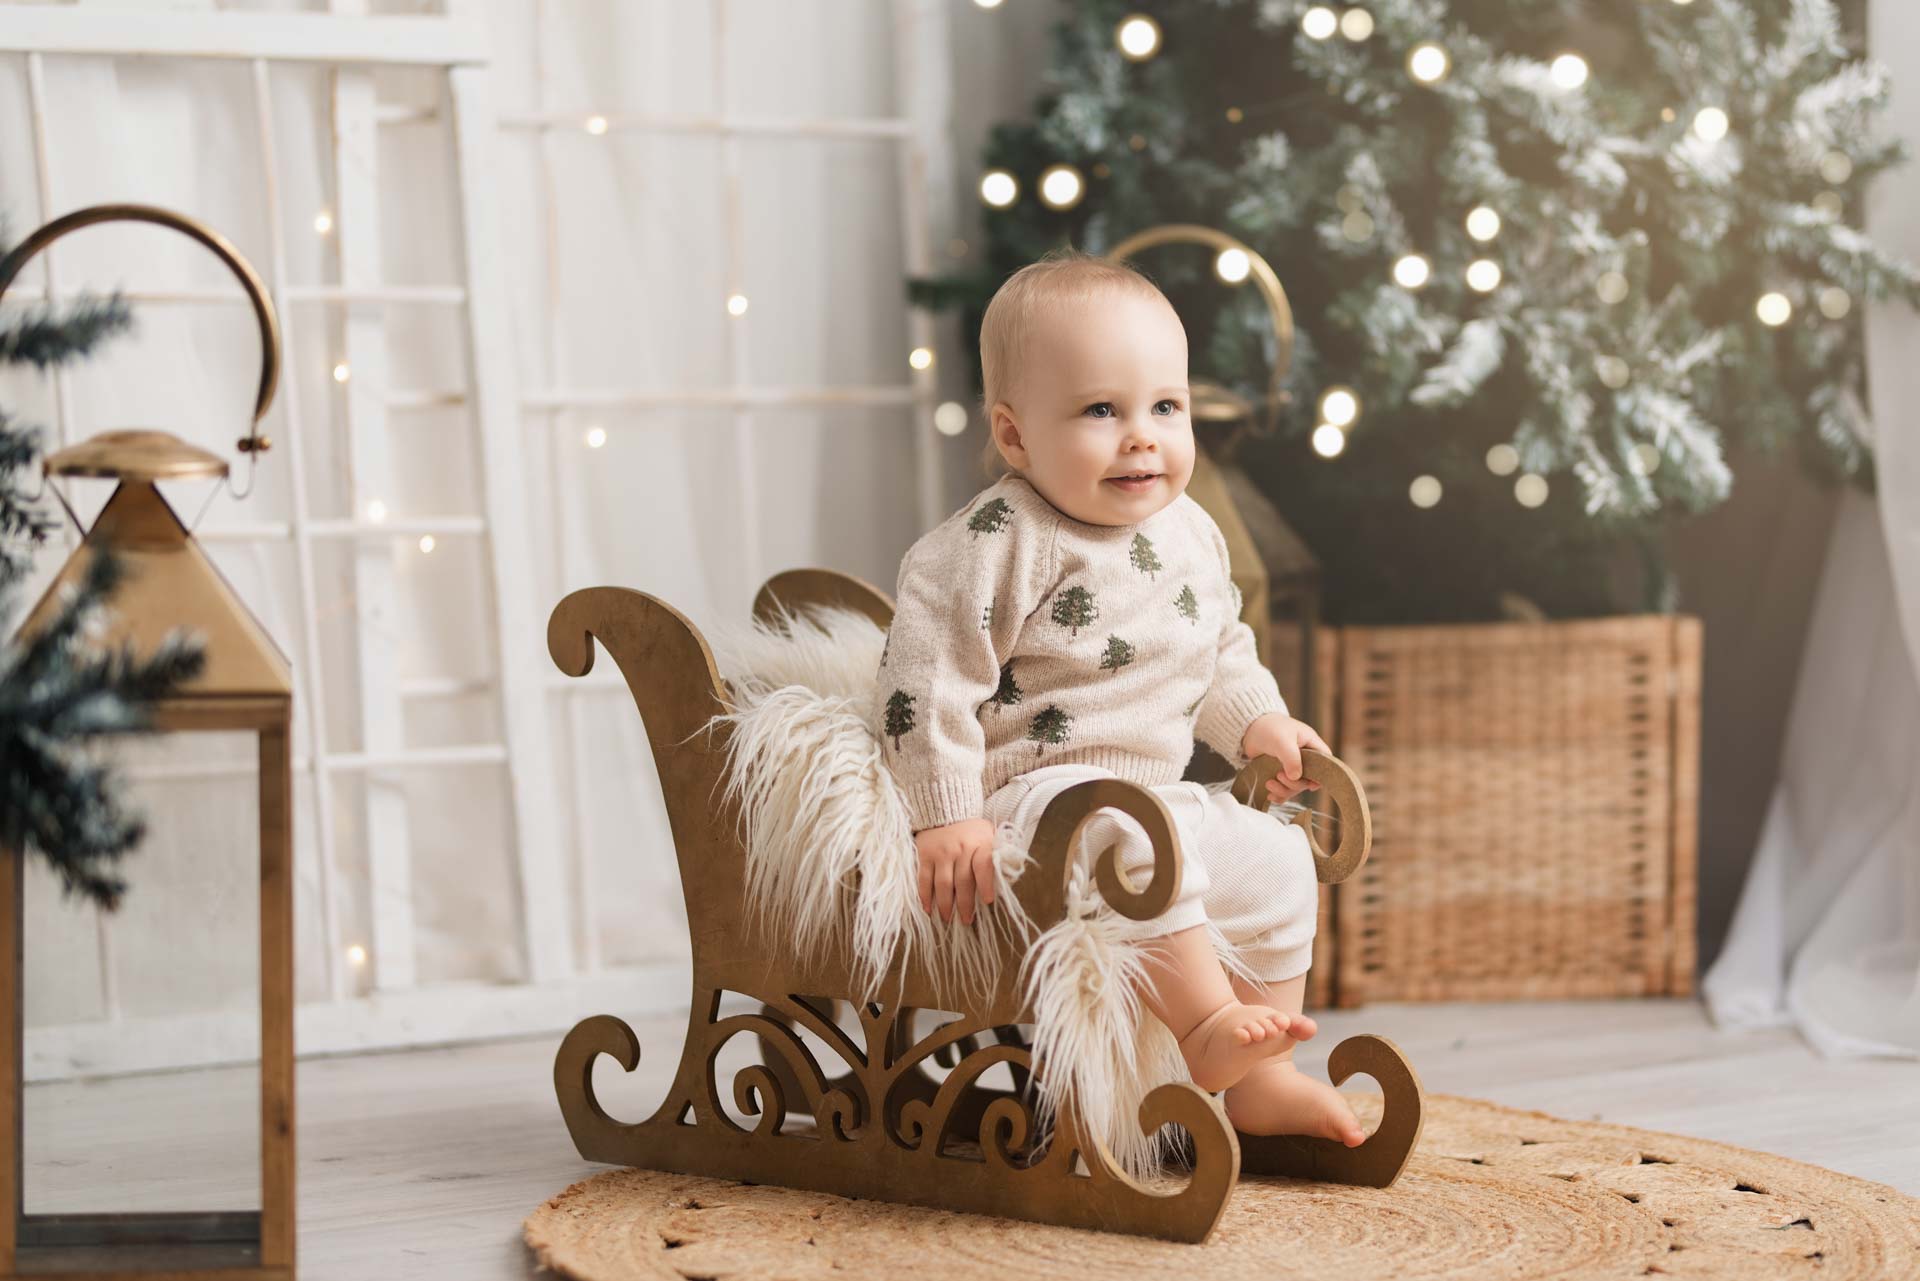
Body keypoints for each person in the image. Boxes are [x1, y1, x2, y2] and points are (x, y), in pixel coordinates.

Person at [874, 250, 1364, 1145]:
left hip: (1157, 799)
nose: (1142, 437)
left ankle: (1265, 1077)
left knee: (1275, 854)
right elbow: (925, 678)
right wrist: (945, 813)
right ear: (1015, 436)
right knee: (1132, 832)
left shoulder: (1190, 531)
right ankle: (1206, 1028)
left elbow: (1217, 648)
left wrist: (1257, 720)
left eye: (1165, 407)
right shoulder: (998, 538)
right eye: (1102, 410)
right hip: (1035, 806)